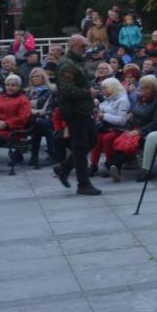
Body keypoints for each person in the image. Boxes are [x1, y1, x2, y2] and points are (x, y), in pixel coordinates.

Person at [53, 35, 101, 196]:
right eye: (83, 47)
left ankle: (65, 167)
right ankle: (83, 183)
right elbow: (67, 90)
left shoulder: (77, 62)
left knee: (92, 140)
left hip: (84, 109)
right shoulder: (66, 64)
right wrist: (89, 93)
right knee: (80, 147)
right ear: (73, 46)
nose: (85, 50)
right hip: (74, 110)